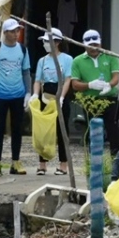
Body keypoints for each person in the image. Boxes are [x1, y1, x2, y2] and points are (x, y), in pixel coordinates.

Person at [0, 17, 32, 175]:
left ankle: (15, 162)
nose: (16, 34)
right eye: (12, 31)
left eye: (17, 31)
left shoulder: (23, 50)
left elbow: (26, 73)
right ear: (5, 32)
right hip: (0, 95)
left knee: (17, 129)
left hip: (17, 94)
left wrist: (28, 93)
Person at [69, 29, 119, 154]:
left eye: (96, 44)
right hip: (90, 100)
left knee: (114, 131)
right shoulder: (77, 61)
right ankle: (95, 162)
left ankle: (116, 162)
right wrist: (89, 85)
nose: (93, 48)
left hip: (110, 98)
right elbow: (74, 84)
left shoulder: (110, 56)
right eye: (90, 45)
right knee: (94, 132)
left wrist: (109, 84)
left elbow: (116, 77)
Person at [32, 28, 72, 176]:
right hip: (46, 96)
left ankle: (63, 165)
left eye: (47, 41)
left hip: (61, 95)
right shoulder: (42, 61)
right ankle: (42, 165)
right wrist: (35, 94)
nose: (45, 44)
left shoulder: (67, 59)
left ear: (57, 42)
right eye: (44, 41)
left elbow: (68, 79)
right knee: (43, 131)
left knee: (62, 131)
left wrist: (61, 97)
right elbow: (37, 80)